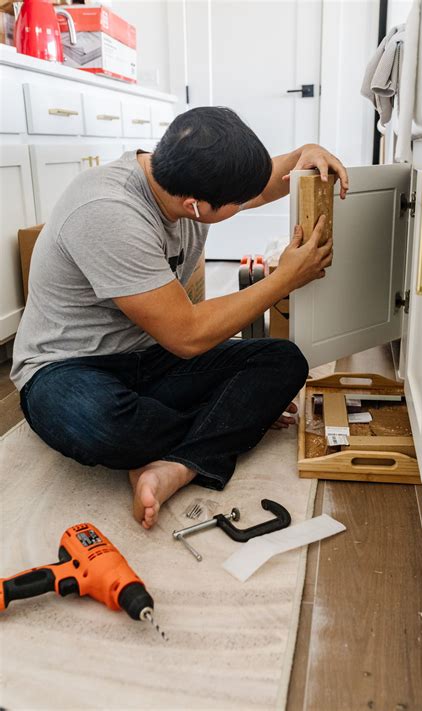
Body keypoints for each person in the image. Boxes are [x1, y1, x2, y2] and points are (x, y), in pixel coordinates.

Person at [11, 106, 348, 530]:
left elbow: (264, 183)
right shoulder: (108, 211)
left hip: (150, 356)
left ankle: (178, 466)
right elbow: (186, 335)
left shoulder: (184, 175)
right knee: (102, 426)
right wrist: (283, 279)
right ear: (195, 206)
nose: (247, 203)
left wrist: (306, 153)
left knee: (284, 361)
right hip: (67, 368)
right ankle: (222, 424)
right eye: (237, 203)